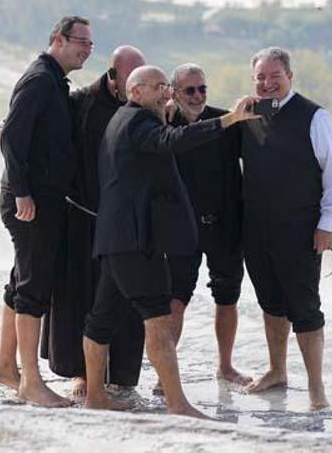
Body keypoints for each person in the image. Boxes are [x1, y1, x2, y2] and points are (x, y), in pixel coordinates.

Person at [82, 65, 260, 418]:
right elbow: (172, 141)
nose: (166, 92)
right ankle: (177, 404)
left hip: (117, 238)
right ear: (135, 92)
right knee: (158, 318)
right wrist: (228, 120)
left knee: (100, 320)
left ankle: (95, 397)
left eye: (166, 86)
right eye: (158, 87)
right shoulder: (139, 123)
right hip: (135, 241)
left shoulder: (122, 118)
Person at [239, 47, 332, 410]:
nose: (267, 83)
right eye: (260, 77)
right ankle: (277, 370)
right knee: (270, 301)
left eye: (275, 76)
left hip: (301, 229)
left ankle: (317, 389)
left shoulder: (316, 117)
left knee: (304, 307)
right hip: (256, 229)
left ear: (290, 77)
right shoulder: (247, 115)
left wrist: (327, 225)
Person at [0, 16, 93, 407]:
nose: (86, 49)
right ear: (57, 39)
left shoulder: (55, 81)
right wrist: (22, 194)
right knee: (34, 289)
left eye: (90, 44)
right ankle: (31, 382)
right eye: (80, 42)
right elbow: (12, 136)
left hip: (41, 197)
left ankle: (6, 367)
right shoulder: (39, 79)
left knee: (22, 281)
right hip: (29, 199)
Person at [41, 45, 147, 398]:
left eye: (140, 78)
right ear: (113, 74)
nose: (135, 86)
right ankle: (82, 375)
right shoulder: (82, 101)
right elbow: (47, 134)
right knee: (80, 299)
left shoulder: (149, 109)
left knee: (128, 302)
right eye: (129, 78)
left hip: (128, 224)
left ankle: (122, 376)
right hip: (83, 218)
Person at [164, 63, 249, 387]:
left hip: (225, 225)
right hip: (181, 228)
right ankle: (166, 373)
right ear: (173, 93)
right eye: (189, 90)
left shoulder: (228, 121)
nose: (198, 95)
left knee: (227, 296)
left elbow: (262, 148)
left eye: (202, 89)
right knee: (176, 298)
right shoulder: (163, 122)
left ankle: (225, 367)